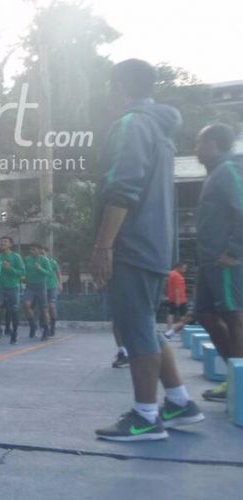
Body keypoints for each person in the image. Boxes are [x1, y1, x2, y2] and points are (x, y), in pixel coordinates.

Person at [91, 59, 203, 441]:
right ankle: (178, 401)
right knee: (146, 326)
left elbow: (123, 188)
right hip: (154, 242)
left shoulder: (132, 124)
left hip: (133, 242)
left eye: (110, 87)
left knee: (133, 325)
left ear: (120, 86)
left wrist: (104, 244)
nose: (107, 94)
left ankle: (145, 416)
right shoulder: (160, 129)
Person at [194, 123, 243, 403]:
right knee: (205, 315)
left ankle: (238, 384)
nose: (196, 149)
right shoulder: (215, 174)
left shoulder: (229, 170)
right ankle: (235, 375)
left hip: (226, 260)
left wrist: (235, 251)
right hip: (208, 261)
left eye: (199, 143)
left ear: (213, 143)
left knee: (234, 317)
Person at [0, 236, 25, 344]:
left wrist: (10, 269)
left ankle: (14, 333)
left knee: (13, 311)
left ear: (10, 245)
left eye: (5, 242)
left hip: (13, 287)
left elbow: (22, 273)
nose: (2, 243)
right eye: (1, 242)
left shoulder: (16, 257)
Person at [23, 244, 52, 341]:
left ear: (39, 250)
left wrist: (40, 269)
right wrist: (23, 277)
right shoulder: (27, 259)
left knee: (44, 309)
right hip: (30, 285)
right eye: (31, 249)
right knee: (26, 304)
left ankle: (46, 329)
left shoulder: (44, 260)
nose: (32, 251)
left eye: (34, 250)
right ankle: (33, 324)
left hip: (41, 285)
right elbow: (23, 271)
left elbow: (49, 273)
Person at [163, 262, 188, 339]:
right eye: (184, 268)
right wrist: (178, 300)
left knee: (171, 313)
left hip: (172, 298)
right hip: (180, 299)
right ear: (179, 267)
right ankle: (181, 332)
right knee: (184, 316)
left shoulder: (171, 274)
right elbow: (177, 289)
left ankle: (169, 330)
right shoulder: (177, 276)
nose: (185, 270)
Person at [42, 246, 61, 337]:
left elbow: (58, 273)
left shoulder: (53, 263)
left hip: (52, 286)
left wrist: (60, 284)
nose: (42, 255)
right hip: (41, 287)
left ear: (47, 253)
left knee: (51, 306)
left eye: (43, 253)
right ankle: (46, 327)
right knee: (44, 308)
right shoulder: (38, 263)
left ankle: (53, 324)